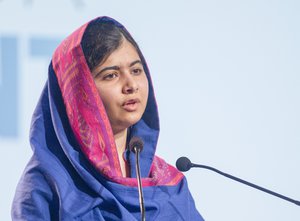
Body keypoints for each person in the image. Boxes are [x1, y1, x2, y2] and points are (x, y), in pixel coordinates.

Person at [12, 16, 204, 221]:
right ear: (78, 92)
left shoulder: (169, 186)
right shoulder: (47, 183)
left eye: (136, 70)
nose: (131, 84)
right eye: (111, 75)